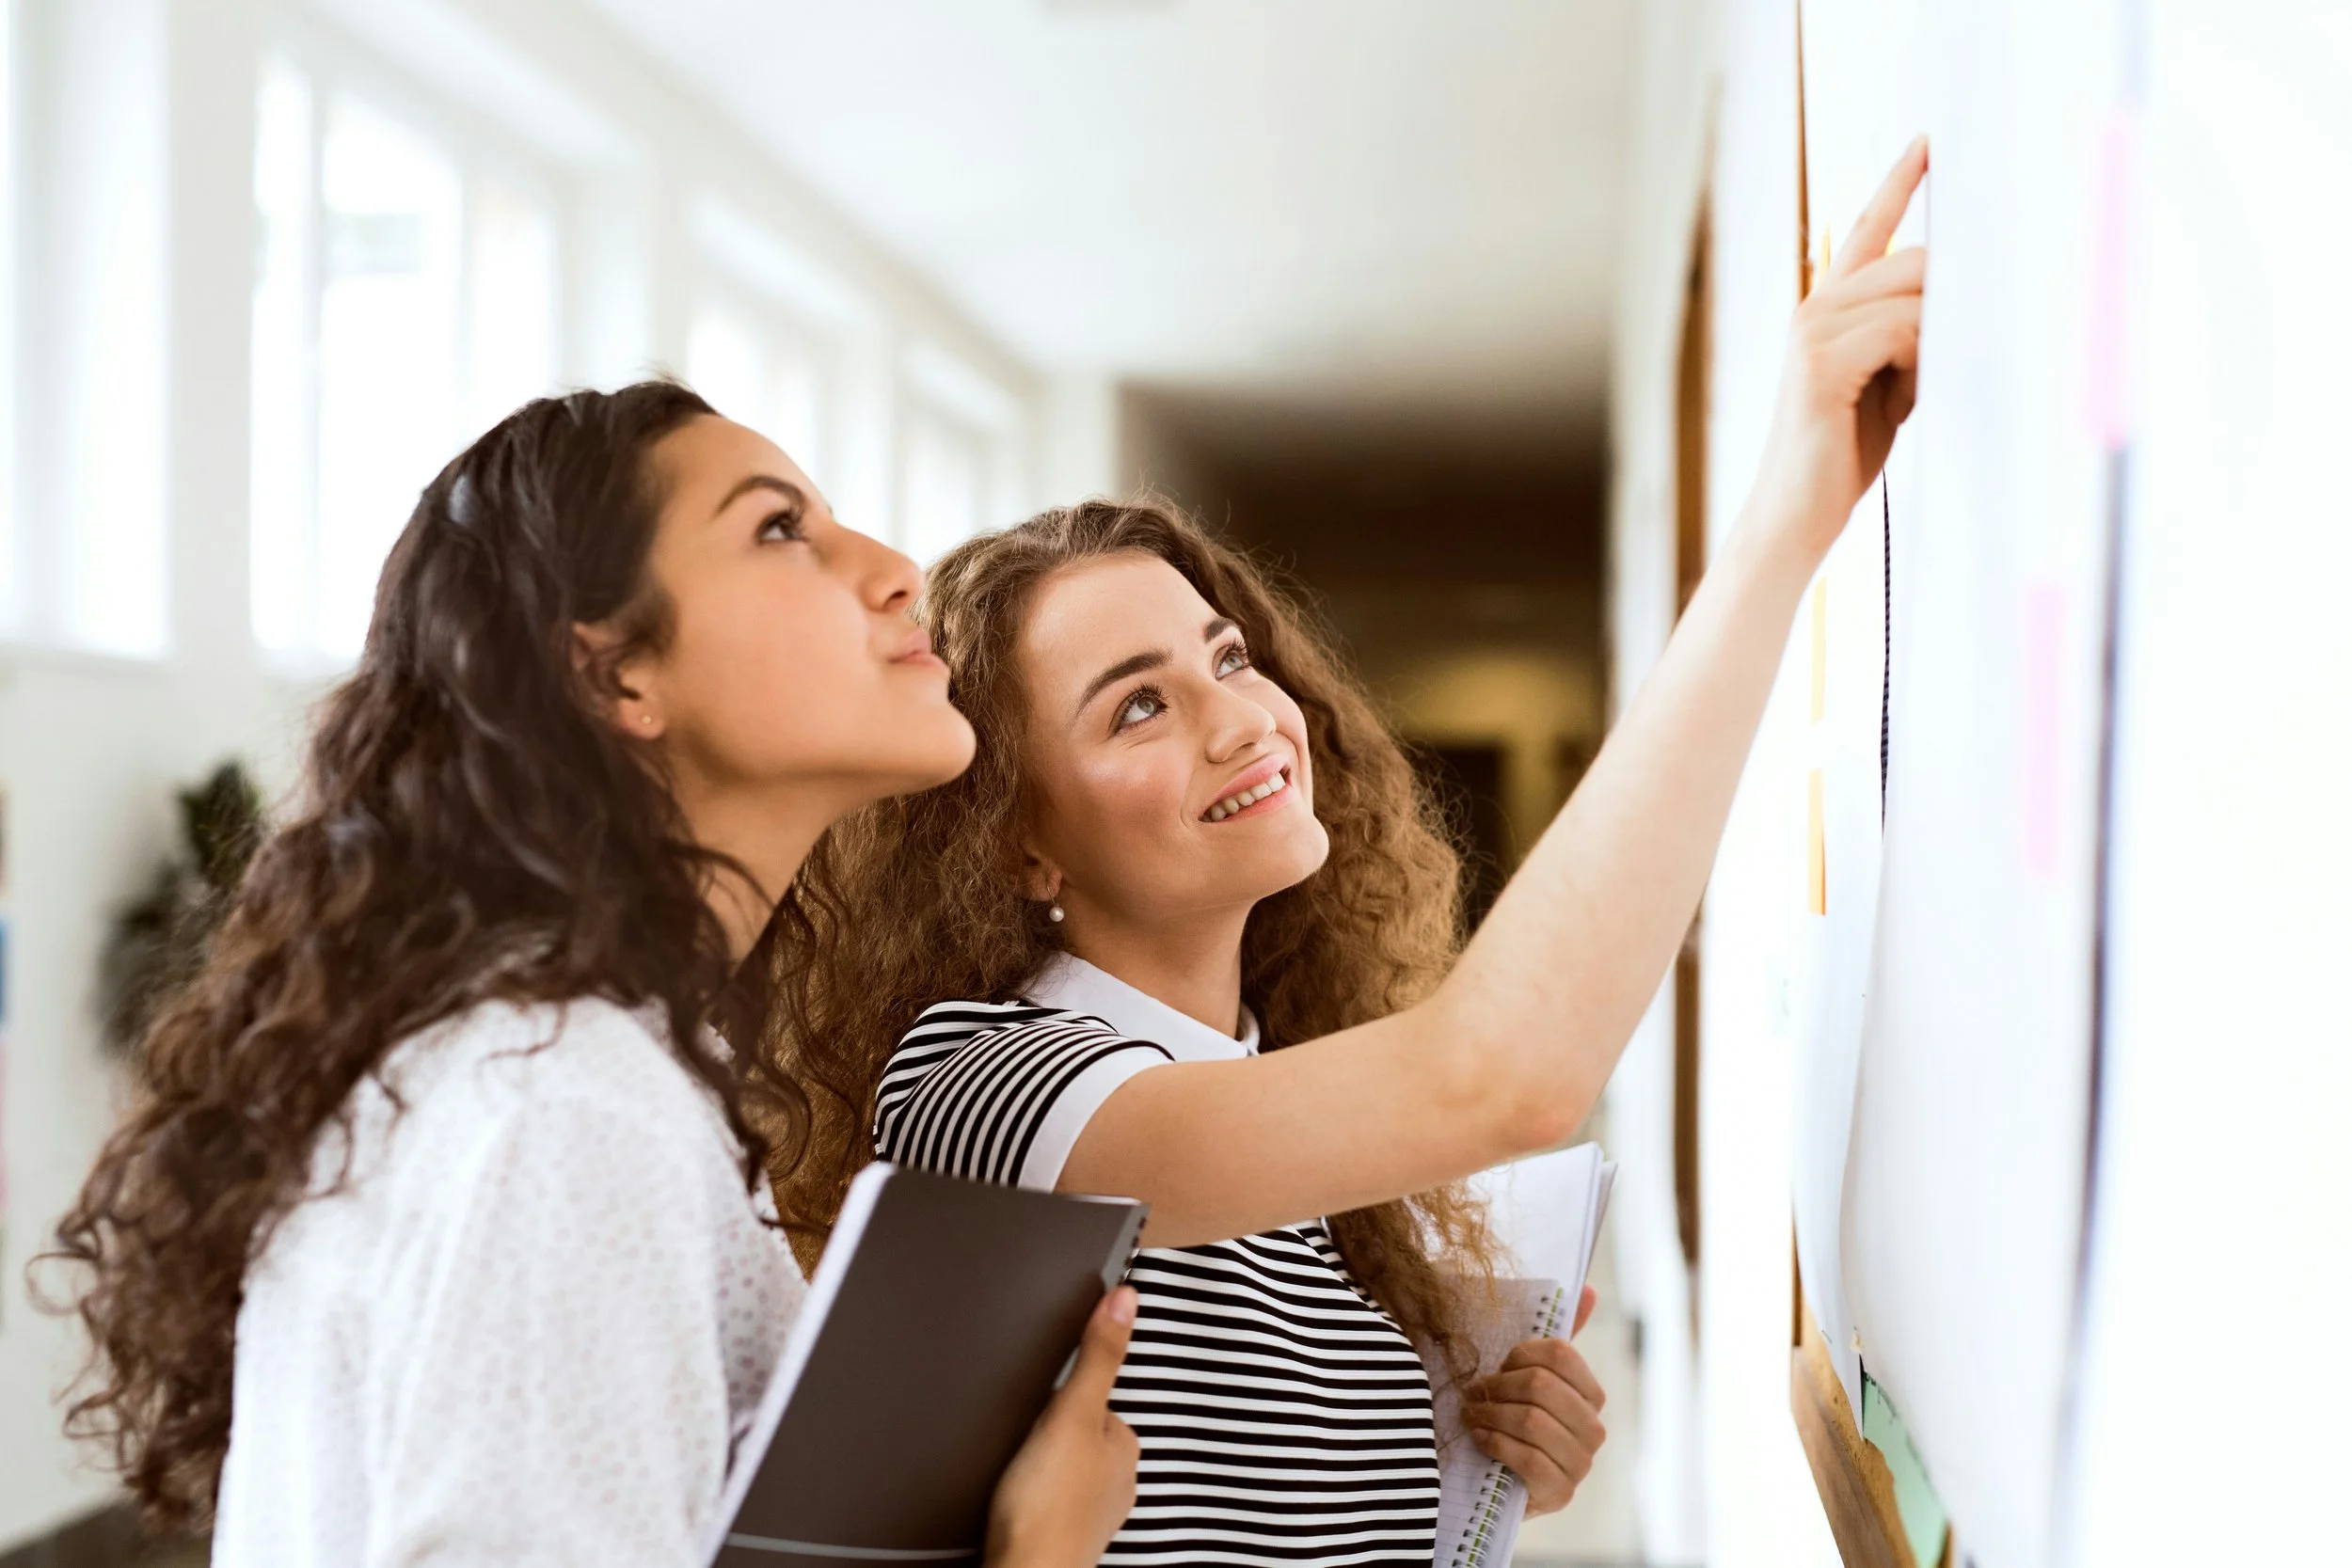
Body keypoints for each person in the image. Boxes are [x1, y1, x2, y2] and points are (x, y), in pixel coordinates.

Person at [770, 143, 1930, 1565]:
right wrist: (1778, 525)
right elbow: (1503, 1076)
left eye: (1226, 654)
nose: (1239, 717)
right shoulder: (985, 1089)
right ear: (1016, 841)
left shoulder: (1289, 1116)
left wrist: (1478, 1464)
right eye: (1138, 702)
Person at [42, 384, 1138, 1567]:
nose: (890, 570)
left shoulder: (577, 1064)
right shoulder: (563, 1101)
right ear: (615, 675)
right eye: (780, 530)